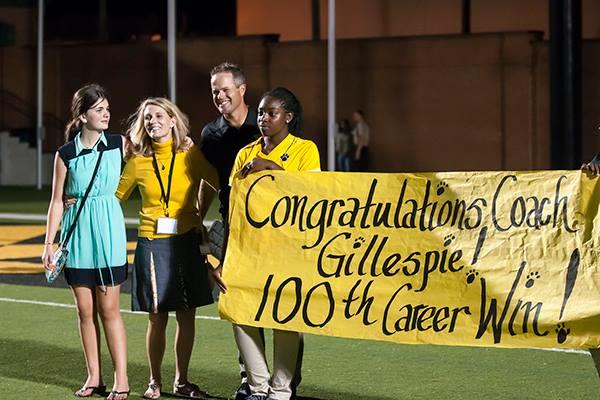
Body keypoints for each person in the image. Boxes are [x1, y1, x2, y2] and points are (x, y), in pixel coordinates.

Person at [115, 97, 217, 399]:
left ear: (173, 120)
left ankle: (182, 381)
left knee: (187, 314)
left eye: (159, 115)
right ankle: (154, 381)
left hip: (186, 239)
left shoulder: (190, 154)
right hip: (152, 242)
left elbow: (212, 180)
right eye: (148, 117)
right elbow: (114, 197)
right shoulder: (136, 160)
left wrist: (197, 211)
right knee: (157, 315)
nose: (153, 121)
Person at [229, 87, 321, 400]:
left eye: (272, 113)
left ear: (288, 117)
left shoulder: (305, 150)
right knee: (241, 311)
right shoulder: (245, 152)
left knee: (287, 316)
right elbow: (234, 203)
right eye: (261, 113)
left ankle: (281, 389)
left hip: (290, 248)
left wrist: (270, 168)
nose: (264, 119)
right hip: (251, 249)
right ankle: (257, 385)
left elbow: (311, 194)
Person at [41, 84, 130, 400]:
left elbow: (150, 153)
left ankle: (122, 379)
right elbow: (55, 201)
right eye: (99, 109)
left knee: (110, 310)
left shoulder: (119, 144)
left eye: (107, 108)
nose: (106, 114)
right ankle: (94, 377)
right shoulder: (65, 154)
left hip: (108, 233)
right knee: (84, 311)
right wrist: (48, 244)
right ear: (82, 115)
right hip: (76, 236)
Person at [197, 62, 267, 400]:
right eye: (215, 91)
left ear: (242, 89)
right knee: (236, 300)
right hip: (233, 224)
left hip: (273, 229)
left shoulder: (267, 124)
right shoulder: (211, 134)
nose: (220, 96)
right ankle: (252, 378)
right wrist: (198, 217)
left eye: (225, 89)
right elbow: (209, 178)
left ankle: (285, 381)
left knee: (280, 300)